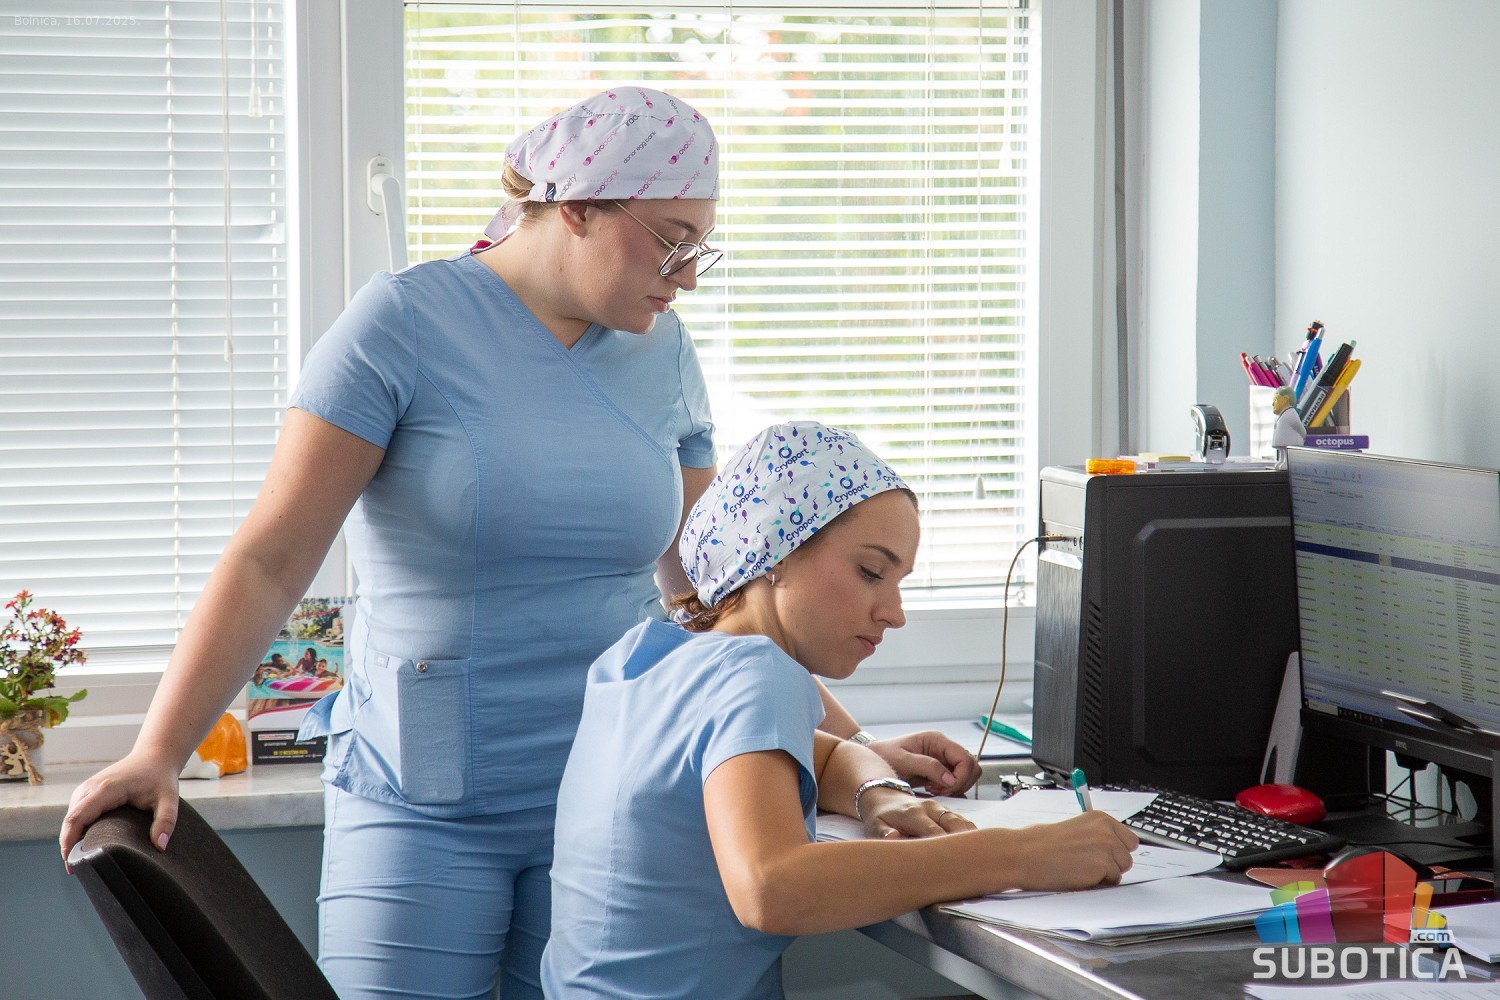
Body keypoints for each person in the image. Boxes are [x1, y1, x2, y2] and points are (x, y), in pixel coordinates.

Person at [58, 88, 977, 1000]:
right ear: (575, 206)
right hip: (420, 803)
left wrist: (857, 751)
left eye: (701, 246)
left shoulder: (664, 351)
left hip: (614, 802)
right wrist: (158, 751)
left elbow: (721, 600)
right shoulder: (401, 326)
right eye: (671, 241)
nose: (688, 275)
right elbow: (270, 559)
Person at [542, 422, 1139, 999]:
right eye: (871, 572)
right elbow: (770, 889)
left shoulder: (647, 659)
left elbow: (827, 757)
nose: (894, 613)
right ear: (775, 552)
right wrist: (1021, 854)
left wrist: (880, 792)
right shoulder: (756, 672)